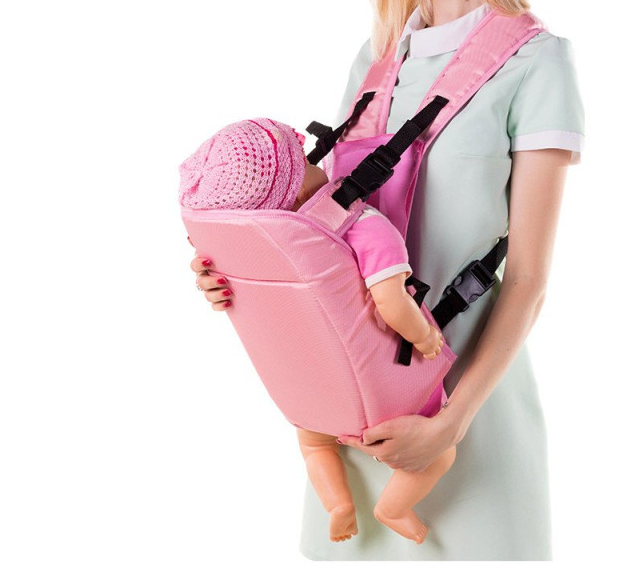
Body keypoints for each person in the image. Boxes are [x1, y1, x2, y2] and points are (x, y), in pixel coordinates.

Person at [192, 0, 585, 560]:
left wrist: (450, 423)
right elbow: (325, 229)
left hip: (466, 429)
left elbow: (530, 279)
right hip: (353, 423)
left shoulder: (537, 64)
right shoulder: (375, 63)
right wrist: (236, 272)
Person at [180, 117, 455, 545]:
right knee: (441, 455)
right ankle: (393, 507)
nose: (316, 160)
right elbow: (391, 300)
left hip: (309, 398)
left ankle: (338, 503)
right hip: (385, 400)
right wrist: (424, 337)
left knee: (314, 446)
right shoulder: (360, 223)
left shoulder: (250, 250)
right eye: (304, 159)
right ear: (298, 186)